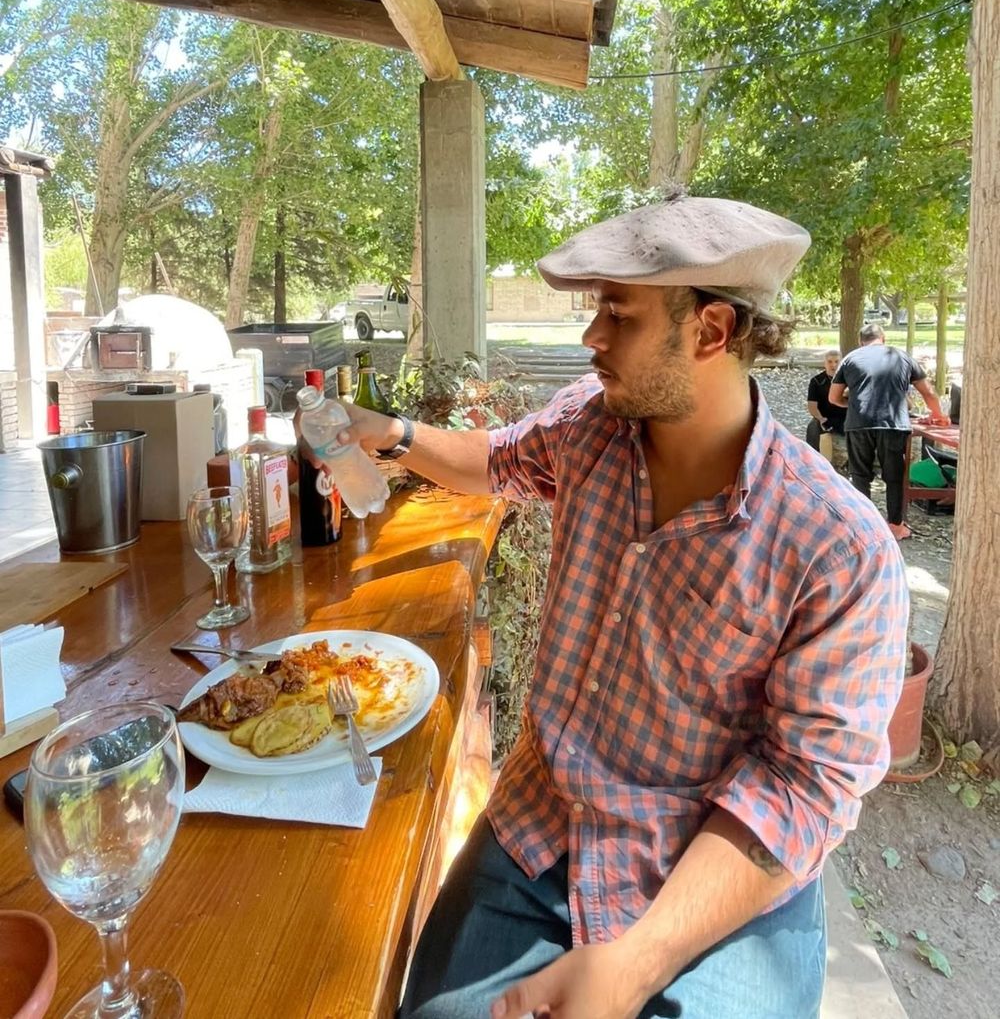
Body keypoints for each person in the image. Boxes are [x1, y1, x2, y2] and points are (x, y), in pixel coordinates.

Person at [336, 191, 908, 1019]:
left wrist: (632, 964)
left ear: (711, 330)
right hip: (542, 823)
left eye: (617, 313)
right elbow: (495, 460)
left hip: (713, 884)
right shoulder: (589, 429)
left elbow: (801, 790)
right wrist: (387, 433)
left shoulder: (839, 548)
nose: (590, 337)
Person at [828, 323, 949, 542]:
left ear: (860, 340)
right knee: (894, 477)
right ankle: (895, 526)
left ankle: (863, 527)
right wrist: (939, 415)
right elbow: (928, 393)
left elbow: (833, 398)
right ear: (883, 338)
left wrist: (854, 403)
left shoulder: (850, 359)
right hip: (893, 424)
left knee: (860, 476)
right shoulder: (901, 357)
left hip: (859, 423)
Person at [805, 349, 847, 461]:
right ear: (825, 363)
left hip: (846, 418)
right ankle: (814, 461)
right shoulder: (816, 381)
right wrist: (820, 418)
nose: (833, 365)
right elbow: (812, 405)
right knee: (813, 426)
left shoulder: (849, 379)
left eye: (836, 361)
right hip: (825, 418)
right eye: (830, 362)